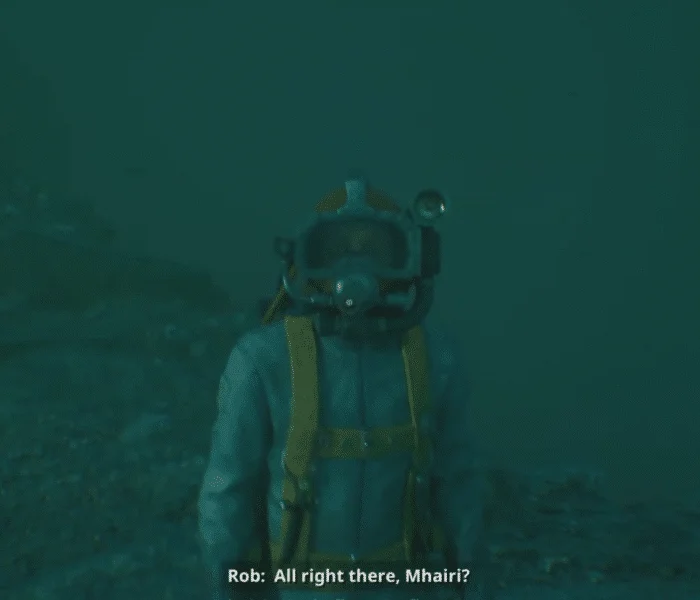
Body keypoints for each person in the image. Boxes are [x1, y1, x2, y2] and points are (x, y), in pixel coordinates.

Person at [198, 175, 492, 600]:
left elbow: (458, 482)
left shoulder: (435, 357)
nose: (356, 267)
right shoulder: (263, 359)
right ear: (305, 259)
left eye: (376, 250)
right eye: (335, 250)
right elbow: (229, 489)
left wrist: (468, 581)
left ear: (411, 257)